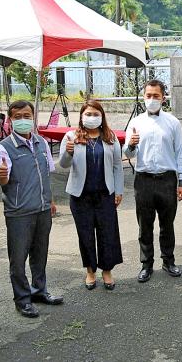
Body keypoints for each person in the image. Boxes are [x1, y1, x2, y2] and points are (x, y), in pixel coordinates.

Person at [0, 100, 63, 318]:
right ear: (10, 120)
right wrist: (1, 176)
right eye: (18, 117)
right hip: (19, 212)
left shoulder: (41, 143)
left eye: (27, 116)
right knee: (18, 259)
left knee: (40, 254)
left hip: (42, 209)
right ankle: (22, 299)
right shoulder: (3, 147)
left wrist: (50, 200)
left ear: (33, 117)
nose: (23, 120)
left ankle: (39, 290)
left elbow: (46, 175)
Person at [124, 79, 182, 283]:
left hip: (166, 180)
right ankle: (146, 264)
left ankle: (168, 261)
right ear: (143, 97)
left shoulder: (172, 122)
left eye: (156, 96)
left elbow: (180, 152)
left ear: (163, 98)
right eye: (148, 96)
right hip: (143, 179)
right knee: (144, 225)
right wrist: (131, 145)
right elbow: (127, 153)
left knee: (167, 224)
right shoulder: (136, 123)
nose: (152, 99)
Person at [60, 100, 124, 290]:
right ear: (81, 116)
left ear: (102, 117)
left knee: (107, 233)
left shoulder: (110, 137)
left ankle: (107, 270)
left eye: (96, 114)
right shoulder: (71, 136)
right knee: (85, 234)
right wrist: (68, 153)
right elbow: (63, 164)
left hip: (105, 194)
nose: (92, 117)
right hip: (80, 196)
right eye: (88, 114)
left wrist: (118, 190)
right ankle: (90, 270)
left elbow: (117, 166)